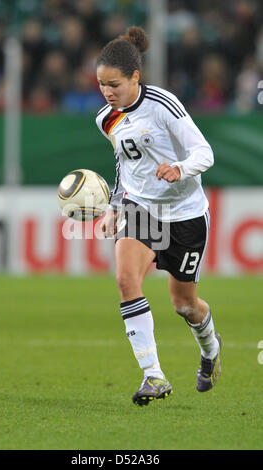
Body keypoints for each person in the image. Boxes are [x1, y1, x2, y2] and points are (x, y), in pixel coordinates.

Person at [95, 26, 221, 406]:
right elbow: (123, 166)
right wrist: (114, 207)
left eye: (114, 84)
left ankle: (211, 349)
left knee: (185, 305)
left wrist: (180, 169)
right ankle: (153, 375)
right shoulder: (106, 119)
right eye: (101, 85)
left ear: (135, 77)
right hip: (141, 207)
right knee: (125, 280)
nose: (107, 92)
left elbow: (205, 152)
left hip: (184, 213)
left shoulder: (163, 104)